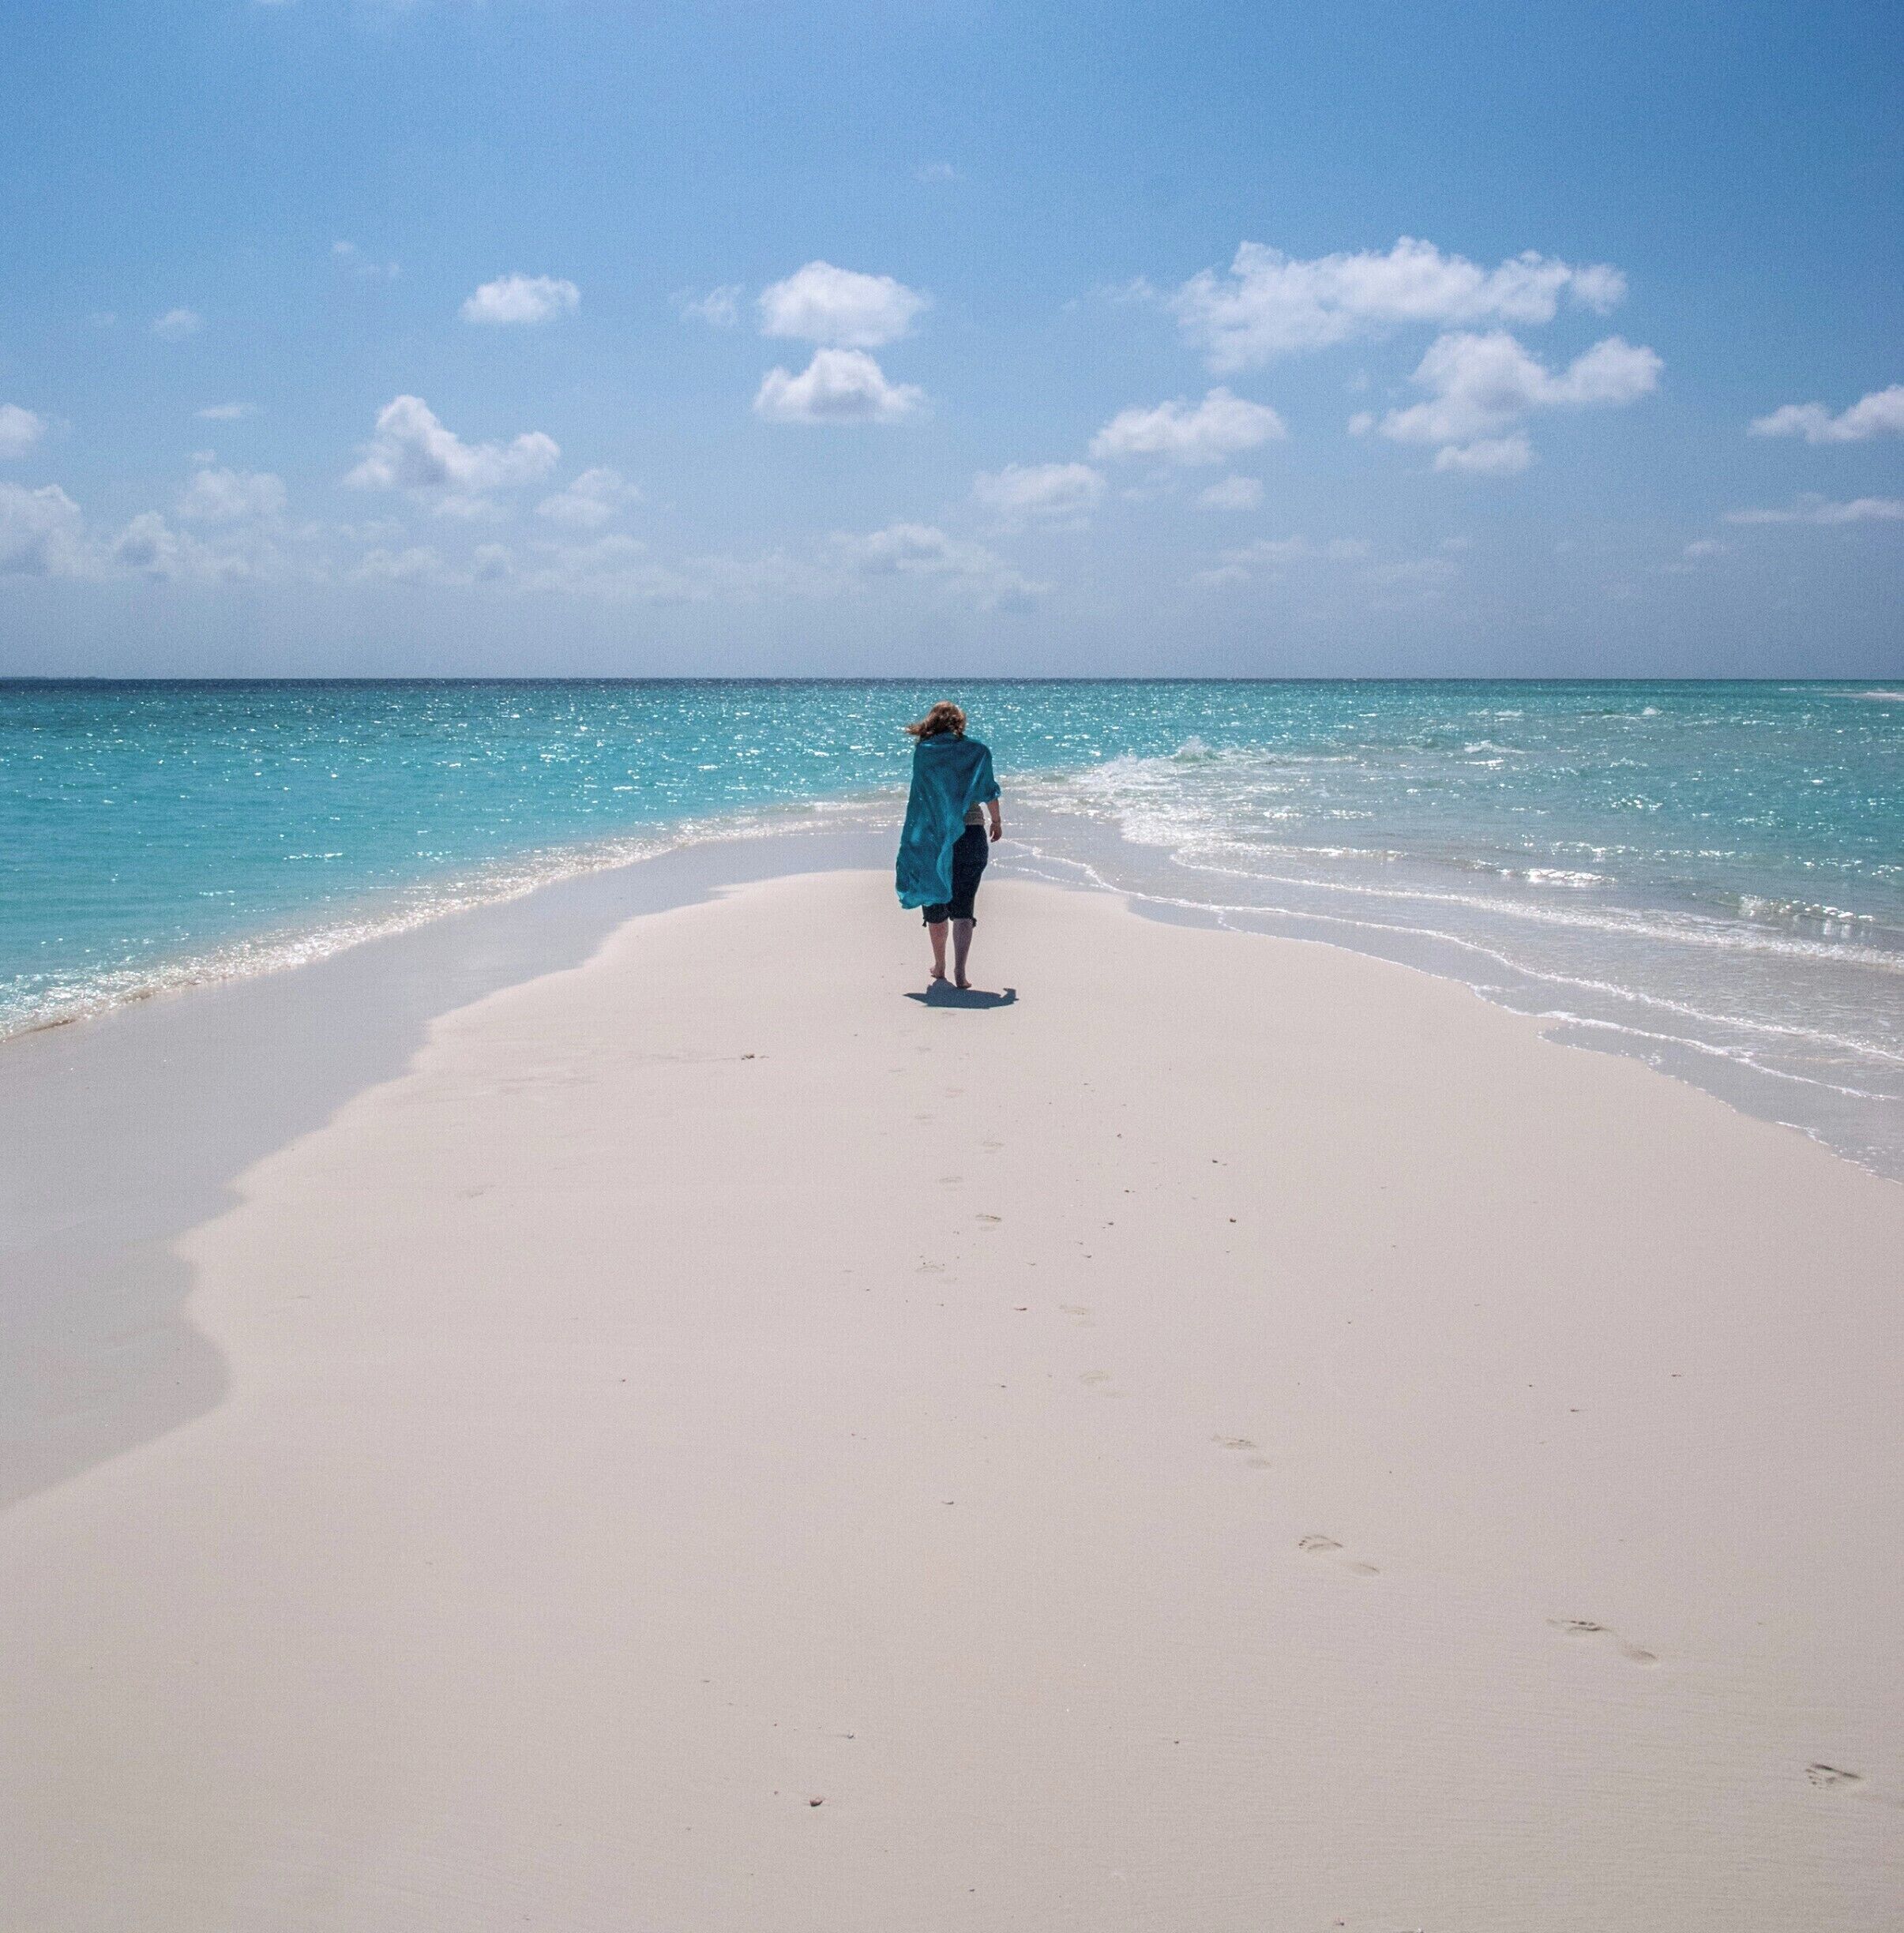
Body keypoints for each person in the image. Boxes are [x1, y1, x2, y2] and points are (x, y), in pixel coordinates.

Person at [894, 701, 1002, 989]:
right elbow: (988, 790)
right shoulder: (977, 751)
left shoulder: (924, 754)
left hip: (933, 838)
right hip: (971, 833)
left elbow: (921, 799)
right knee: (964, 906)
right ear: (960, 723)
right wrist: (997, 821)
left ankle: (940, 965)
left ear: (932, 722)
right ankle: (961, 972)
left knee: (935, 901)